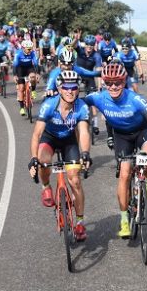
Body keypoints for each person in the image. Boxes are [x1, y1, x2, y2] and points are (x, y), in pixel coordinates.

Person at [84, 62, 147, 238]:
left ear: (124, 81)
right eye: (109, 82)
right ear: (103, 82)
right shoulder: (99, 98)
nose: (113, 86)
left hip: (142, 130)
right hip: (121, 137)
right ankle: (124, 219)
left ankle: (146, 181)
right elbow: (74, 101)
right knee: (125, 174)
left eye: (117, 82)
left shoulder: (135, 100)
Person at [28, 71, 91, 241]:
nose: (70, 91)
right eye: (66, 87)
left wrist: (85, 154)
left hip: (69, 141)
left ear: (78, 89)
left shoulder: (82, 107)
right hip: (49, 138)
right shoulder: (49, 105)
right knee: (43, 161)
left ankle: (79, 222)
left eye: (74, 87)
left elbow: (84, 132)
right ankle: (46, 186)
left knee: (75, 180)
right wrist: (33, 159)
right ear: (59, 88)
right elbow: (36, 134)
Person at [13, 40, 39, 115]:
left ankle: (33, 90)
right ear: (23, 48)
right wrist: (15, 75)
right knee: (21, 88)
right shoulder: (18, 53)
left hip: (29, 68)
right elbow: (15, 65)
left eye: (31, 48)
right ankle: (21, 108)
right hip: (20, 69)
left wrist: (37, 73)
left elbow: (36, 64)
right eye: (28, 49)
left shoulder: (33, 53)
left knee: (33, 77)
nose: (30, 50)